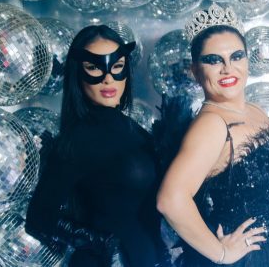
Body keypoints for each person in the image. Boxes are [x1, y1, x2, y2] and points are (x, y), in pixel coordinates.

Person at [156, 3, 269, 266]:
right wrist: (222, 253)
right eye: (214, 60)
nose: (228, 68)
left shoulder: (254, 110)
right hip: (254, 260)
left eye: (236, 56)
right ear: (195, 70)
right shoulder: (212, 125)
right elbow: (170, 200)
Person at [25, 24, 166, 267]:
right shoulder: (80, 138)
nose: (108, 78)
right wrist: (103, 244)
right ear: (78, 74)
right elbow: (39, 218)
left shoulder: (133, 129)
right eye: (94, 67)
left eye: (117, 66)